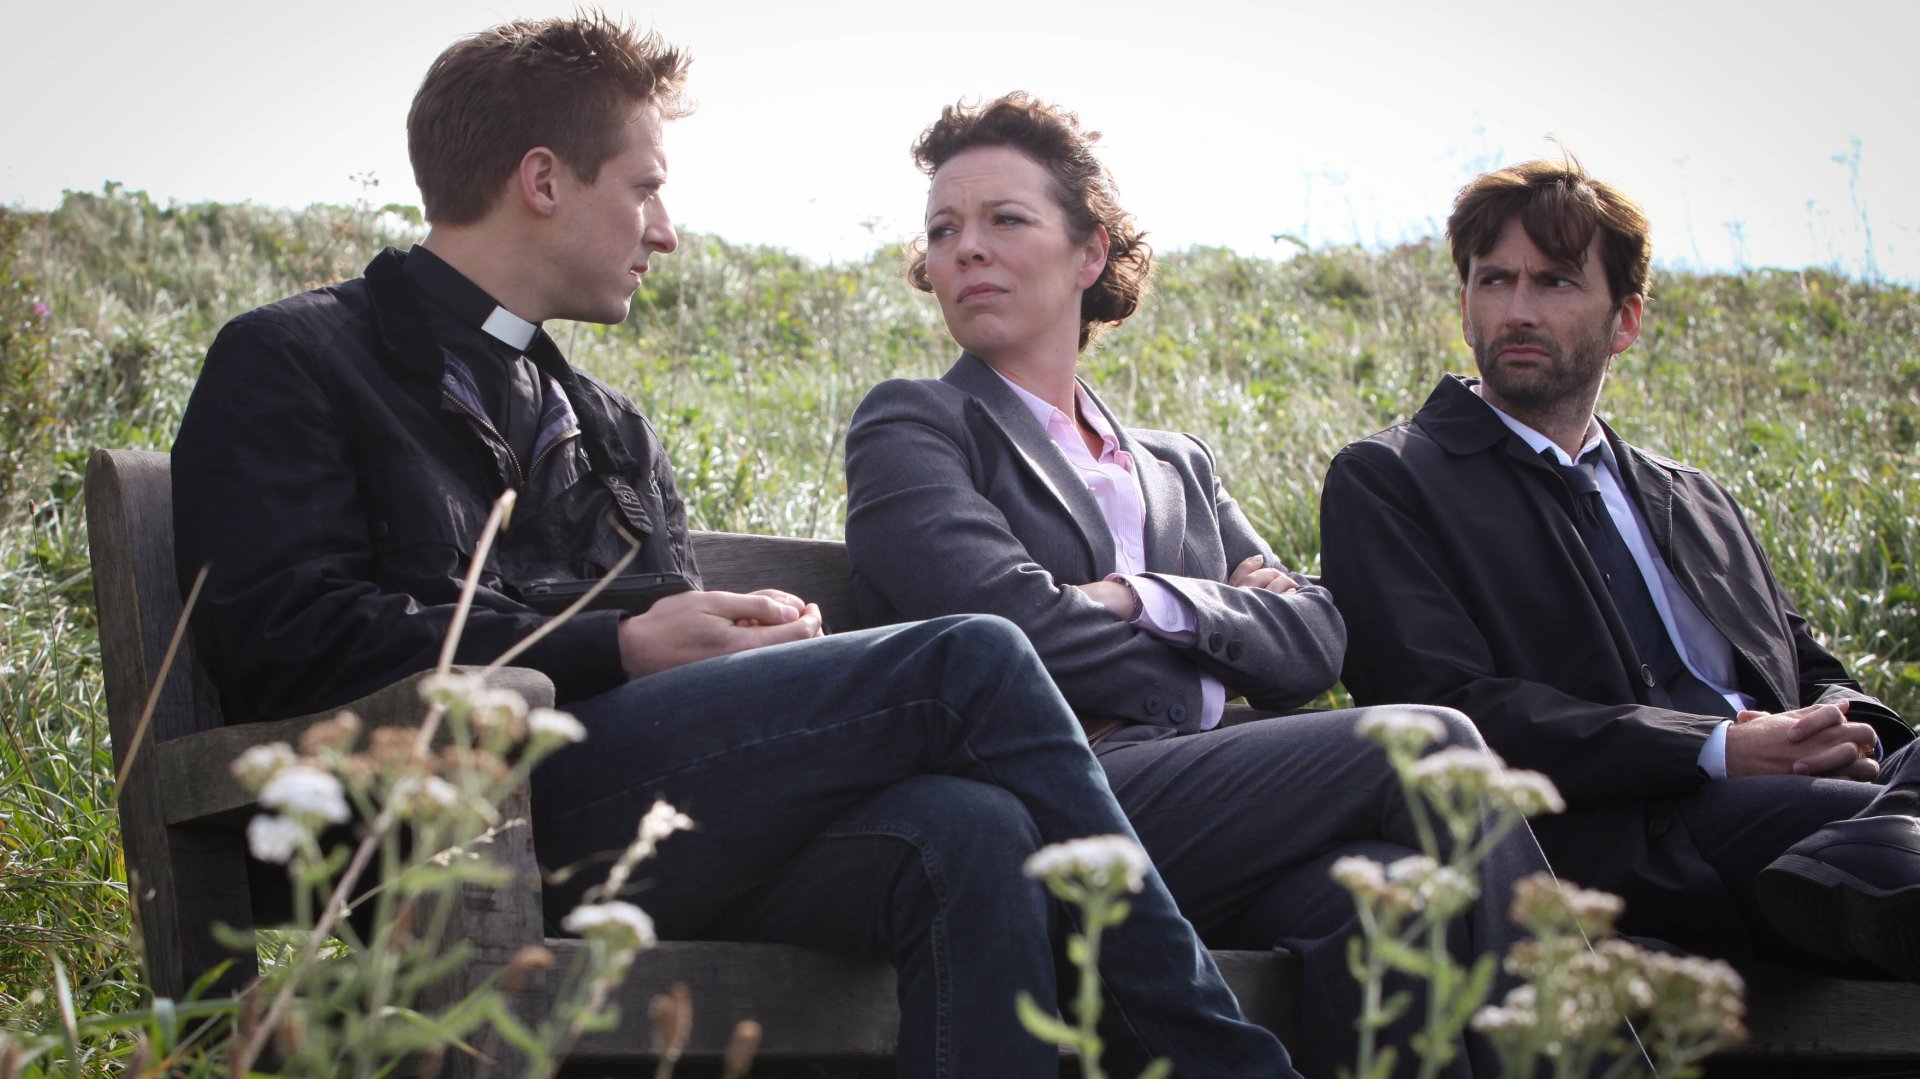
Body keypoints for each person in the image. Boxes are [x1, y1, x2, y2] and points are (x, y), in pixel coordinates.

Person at [168, 16, 1301, 1078]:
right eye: (647, 189)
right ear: (545, 180)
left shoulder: (608, 422)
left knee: (972, 826)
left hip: (650, 816)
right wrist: (619, 643)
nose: (666, 229)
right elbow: (285, 641)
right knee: (973, 653)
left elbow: (668, 652)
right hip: (453, 821)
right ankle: (1219, 1052)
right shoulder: (296, 358)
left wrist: (742, 644)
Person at [843, 94, 1552, 1079]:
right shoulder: (915, 425)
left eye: (1005, 220)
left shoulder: (1179, 465)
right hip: (1046, 803)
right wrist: (1215, 629)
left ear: (1090, 252)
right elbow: (1012, 628)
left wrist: (1148, 597)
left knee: (1388, 893)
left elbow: (1313, 641)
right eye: (943, 230)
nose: (966, 250)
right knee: (1430, 745)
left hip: (1206, 814)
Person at [1318, 154, 1920, 979]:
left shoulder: (1694, 498)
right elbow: (1446, 711)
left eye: (1556, 283)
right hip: (1625, 841)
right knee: (1872, 833)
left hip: (1809, 813)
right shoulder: (1391, 478)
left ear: (1625, 320)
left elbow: (1810, 665)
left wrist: (1846, 732)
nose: (1517, 310)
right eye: (1494, 282)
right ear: (1465, 307)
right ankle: (1882, 843)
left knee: (1887, 795)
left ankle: (1881, 840)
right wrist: (1717, 747)